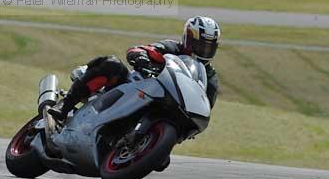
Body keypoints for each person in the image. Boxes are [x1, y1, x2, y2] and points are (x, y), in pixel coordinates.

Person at [49, 16, 221, 124]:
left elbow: (205, 106)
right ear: (187, 39)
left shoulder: (210, 76)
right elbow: (140, 49)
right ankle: (66, 105)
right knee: (112, 64)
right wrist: (142, 59)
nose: (202, 50)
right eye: (199, 44)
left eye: (207, 47)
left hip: (168, 108)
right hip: (138, 87)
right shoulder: (171, 47)